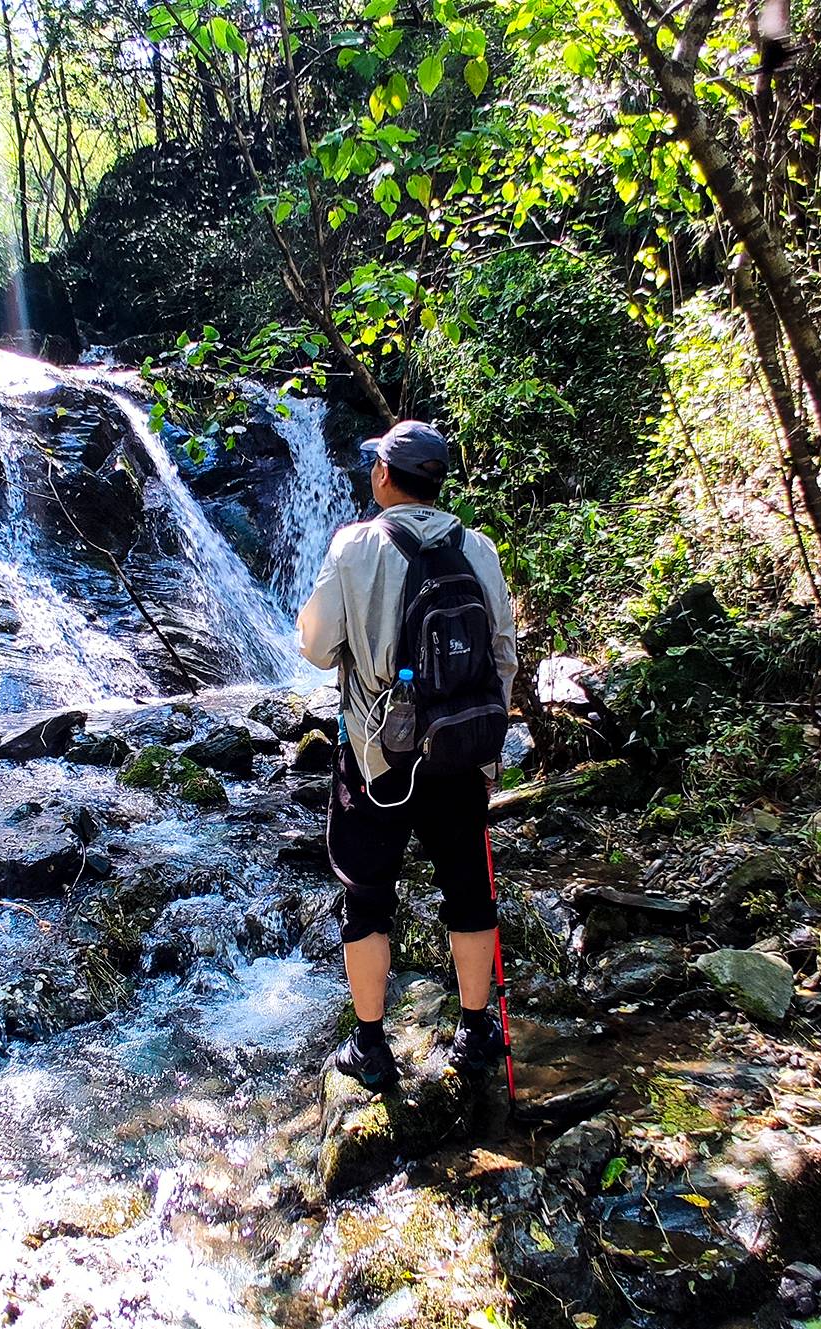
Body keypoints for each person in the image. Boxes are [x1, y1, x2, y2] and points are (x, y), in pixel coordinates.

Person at [297, 419, 519, 1088]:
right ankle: (477, 1030)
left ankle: (371, 1045)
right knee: (469, 892)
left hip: (377, 760)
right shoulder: (479, 548)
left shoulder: (354, 547)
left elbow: (313, 645)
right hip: (460, 752)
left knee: (366, 900)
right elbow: (503, 652)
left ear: (384, 476)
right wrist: (486, 749)